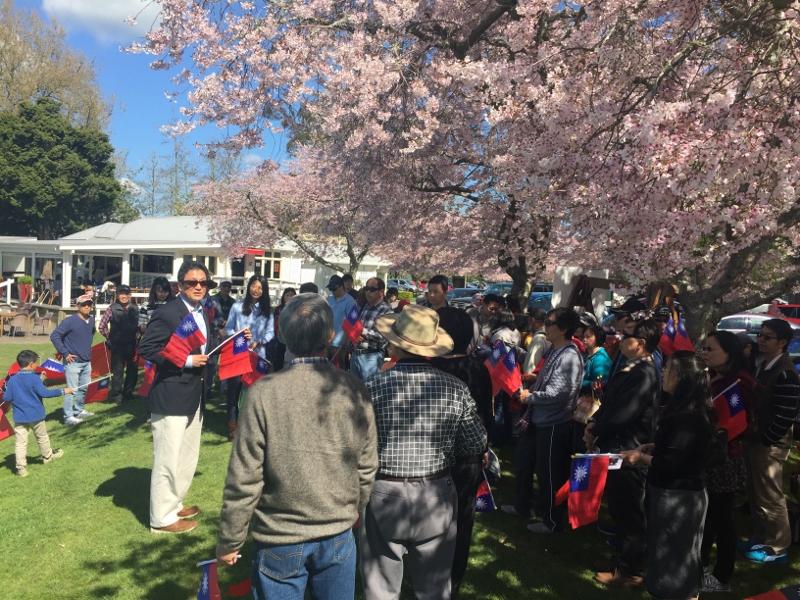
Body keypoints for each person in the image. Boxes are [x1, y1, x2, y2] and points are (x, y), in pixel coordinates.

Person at [216, 293, 378, 599]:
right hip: (315, 530)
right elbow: (367, 465)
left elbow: (244, 475)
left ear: (282, 334)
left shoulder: (266, 392)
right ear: (330, 336)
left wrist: (230, 538)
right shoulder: (351, 387)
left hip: (307, 533)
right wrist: (354, 507)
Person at [360, 305, 487, 600]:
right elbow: (475, 442)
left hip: (385, 490)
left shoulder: (374, 386)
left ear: (395, 343)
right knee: (434, 590)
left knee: (380, 589)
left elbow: (357, 442)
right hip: (435, 493)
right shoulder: (455, 388)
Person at [622, 354, 712, 600]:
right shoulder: (681, 409)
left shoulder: (688, 417)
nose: (663, 373)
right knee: (669, 555)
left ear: (682, 378)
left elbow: (670, 463)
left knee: (675, 560)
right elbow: (674, 451)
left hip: (678, 496)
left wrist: (639, 458)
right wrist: (653, 446)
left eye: (669, 370)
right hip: (671, 491)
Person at [138, 261, 216, 534]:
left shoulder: (202, 312)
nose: (198, 286)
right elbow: (147, 347)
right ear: (180, 285)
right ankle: (161, 519)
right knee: (167, 458)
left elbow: (205, 348)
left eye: (203, 282)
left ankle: (174, 503)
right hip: (171, 394)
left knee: (186, 455)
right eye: (191, 282)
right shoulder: (169, 312)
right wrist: (184, 361)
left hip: (195, 395)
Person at [585, 319, 662, 587]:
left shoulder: (645, 373)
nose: (619, 338)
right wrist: (594, 423)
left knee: (630, 510)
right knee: (618, 506)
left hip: (630, 448)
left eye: (625, 335)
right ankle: (621, 559)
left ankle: (632, 570)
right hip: (615, 443)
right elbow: (609, 404)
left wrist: (598, 429)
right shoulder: (628, 367)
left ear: (640, 344)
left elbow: (625, 413)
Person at [515, 308, 584, 533]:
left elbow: (558, 393)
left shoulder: (569, 355)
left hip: (554, 422)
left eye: (550, 322)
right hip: (540, 419)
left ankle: (552, 521)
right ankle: (532, 509)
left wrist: (530, 397)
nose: (545, 325)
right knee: (534, 467)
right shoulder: (556, 349)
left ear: (563, 328)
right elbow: (548, 383)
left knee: (551, 474)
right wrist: (533, 386)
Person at [741, 318, 800, 564]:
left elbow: (787, 412)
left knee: (770, 494)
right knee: (756, 492)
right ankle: (762, 536)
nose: (761, 341)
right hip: (755, 437)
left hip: (770, 442)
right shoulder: (762, 364)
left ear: (783, 343)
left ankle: (778, 545)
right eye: (760, 335)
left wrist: (768, 438)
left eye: (767, 337)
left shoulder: (785, 372)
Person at [699, 331, 755, 592]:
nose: (705, 352)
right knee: (708, 516)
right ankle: (700, 564)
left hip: (724, 460)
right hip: (708, 456)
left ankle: (722, 576)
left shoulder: (736, 385)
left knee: (722, 519)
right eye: (704, 348)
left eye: (711, 349)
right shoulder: (713, 378)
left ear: (729, 354)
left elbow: (735, 423)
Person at [3, 350, 71, 477]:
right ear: (30, 364)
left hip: (20, 418)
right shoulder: (35, 379)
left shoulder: (13, 380)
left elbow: (7, 397)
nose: (37, 365)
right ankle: (48, 457)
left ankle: (21, 468)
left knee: (20, 442)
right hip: (36, 416)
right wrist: (64, 391)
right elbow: (45, 393)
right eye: (35, 362)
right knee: (42, 437)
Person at [225, 274, 275, 438]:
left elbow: (270, 333)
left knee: (253, 393)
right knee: (234, 391)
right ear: (248, 287)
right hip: (238, 355)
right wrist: (239, 335)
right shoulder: (237, 307)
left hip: (257, 357)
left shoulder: (267, 311)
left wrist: (259, 341)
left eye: (261, 287)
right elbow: (228, 329)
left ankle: (250, 427)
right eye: (254, 285)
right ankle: (233, 426)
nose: (256, 290)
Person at [50, 293, 96, 426]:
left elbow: (91, 333)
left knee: (83, 388)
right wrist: (65, 353)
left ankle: (79, 410)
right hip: (73, 362)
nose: (87, 307)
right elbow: (55, 336)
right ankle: (68, 416)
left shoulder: (92, 320)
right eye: (84, 305)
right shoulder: (69, 321)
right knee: (71, 390)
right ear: (78, 306)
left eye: (89, 304)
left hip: (86, 361)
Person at [98, 284, 139, 404]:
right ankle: (116, 395)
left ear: (130, 295)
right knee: (118, 372)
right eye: (121, 294)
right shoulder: (112, 308)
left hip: (132, 344)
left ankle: (128, 393)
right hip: (117, 345)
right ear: (117, 295)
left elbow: (140, 325)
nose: (124, 296)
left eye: (126, 294)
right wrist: (109, 337)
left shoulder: (135, 308)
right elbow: (102, 326)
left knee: (132, 371)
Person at [350, 277, 392, 381]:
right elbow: (355, 326)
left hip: (372, 357)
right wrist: (354, 335)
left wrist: (362, 331)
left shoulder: (387, 311)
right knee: (354, 392)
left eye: (372, 289)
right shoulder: (364, 306)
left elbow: (384, 337)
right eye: (366, 288)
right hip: (356, 354)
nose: (368, 292)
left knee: (370, 392)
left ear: (381, 292)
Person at [326, 274, 357, 362]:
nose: (332, 291)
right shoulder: (329, 299)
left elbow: (353, 322)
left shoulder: (351, 301)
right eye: (330, 289)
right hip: (327, 342)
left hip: (340, 344)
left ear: (341, 287)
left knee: (339, 371)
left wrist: (346, 341)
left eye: (334, 289)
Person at [269, 287, 296, 372]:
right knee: (278, 359)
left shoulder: (297, 308)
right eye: (287, 295)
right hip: (279, 338)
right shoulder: (278, 308)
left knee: (289, 361)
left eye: (292, 295)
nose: (290, 297)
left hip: (292, 339)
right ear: (283, 297)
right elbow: (276, 322)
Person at [521, 307, 550, 384]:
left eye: (529, 319)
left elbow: (531, 366)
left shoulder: (538, 339)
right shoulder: (547, 337)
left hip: (530, 382)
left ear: (533, 320)